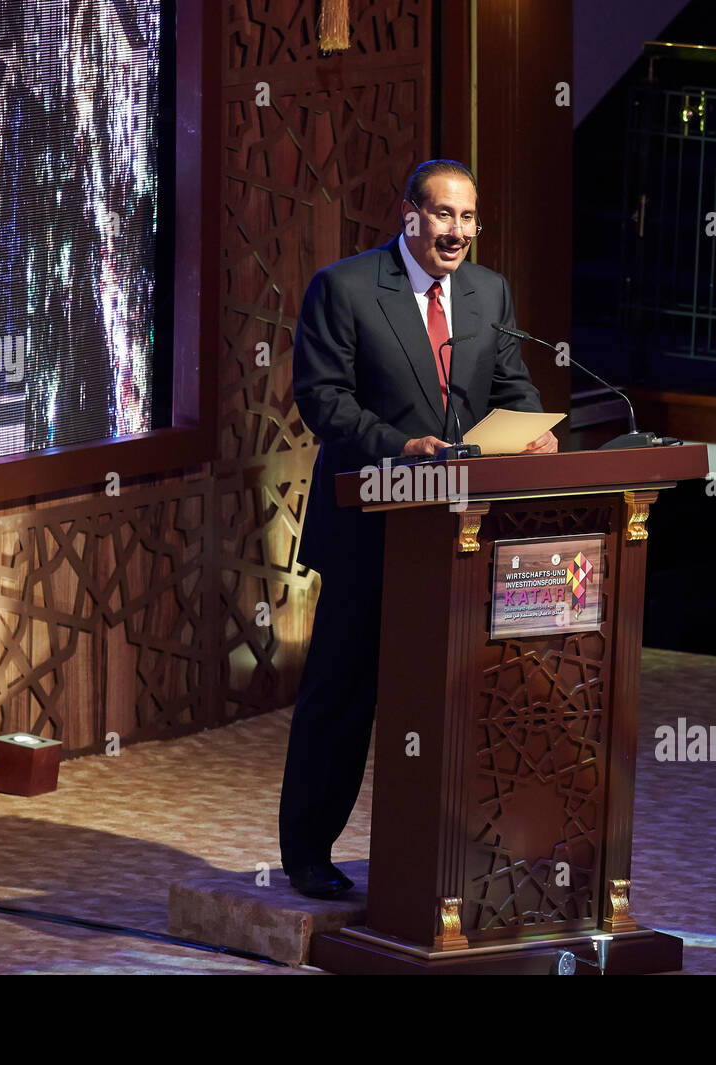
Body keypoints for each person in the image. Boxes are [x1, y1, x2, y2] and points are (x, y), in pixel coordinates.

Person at [279, 159, 558, 898]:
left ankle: (449, 850)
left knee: (457, 695)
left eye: (468, 219)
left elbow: (511, 383)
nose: (457, 233)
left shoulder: (487, 291)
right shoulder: (344, 289)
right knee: (343, 692)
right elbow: (322, 400)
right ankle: (307, 851)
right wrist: (399, 446)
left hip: (460, 534)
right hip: (371, 527)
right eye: (443, 216)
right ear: (410, 215)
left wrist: (531, 431)